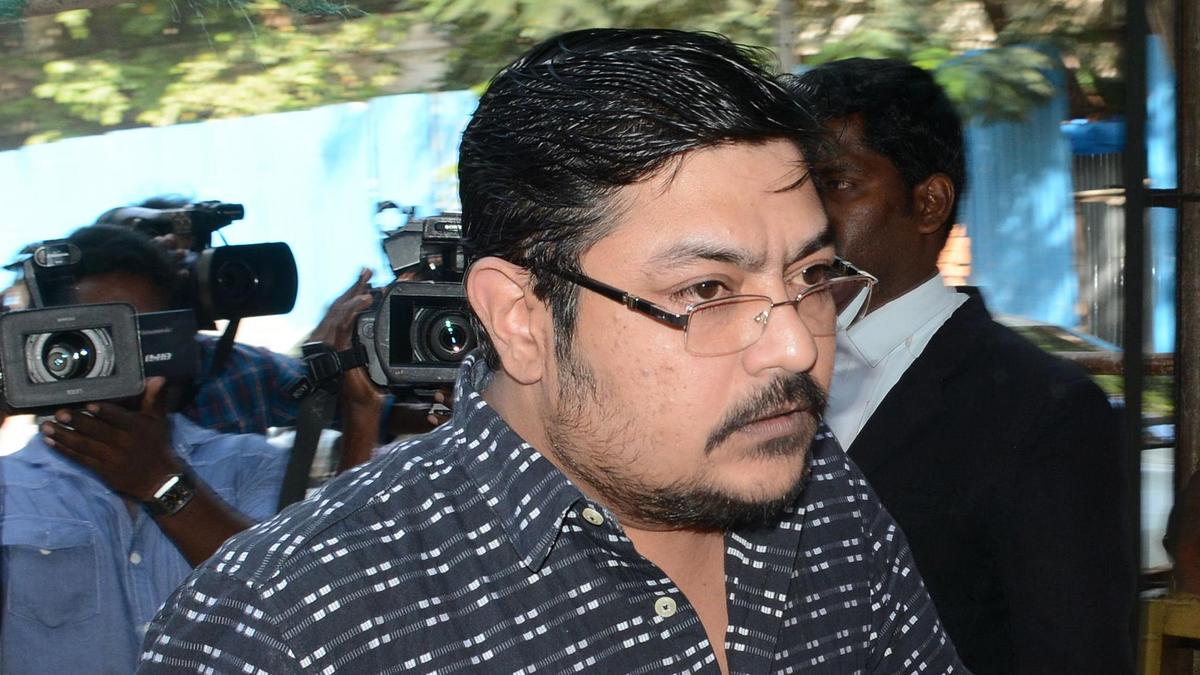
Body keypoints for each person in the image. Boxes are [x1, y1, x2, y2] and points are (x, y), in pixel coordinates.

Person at [137, 29, 966, 674]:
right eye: (708, 290)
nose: (794, 345)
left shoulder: (815, 486)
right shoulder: (281, 631)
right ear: (519, 317)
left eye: (811, 273)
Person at [788, 58, 1134, 674]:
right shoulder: (763, 365)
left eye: (836, 185)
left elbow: (1075, 652)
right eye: (796, 188)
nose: (807, 219)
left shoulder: (1040, 411)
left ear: (929, 203)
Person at [0, 225, 290, 674]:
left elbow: (290, 604)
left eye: (137, 335)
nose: (112, 356)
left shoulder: (250, 464)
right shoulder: (9, 490)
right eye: (88, 335)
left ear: (178, 339)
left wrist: (162, 483)